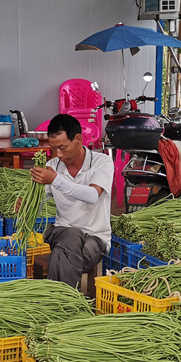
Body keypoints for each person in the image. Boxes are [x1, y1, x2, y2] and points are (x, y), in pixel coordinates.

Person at [30, 114, 113, 288]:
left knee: (62, 255)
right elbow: (40, 201)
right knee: (71, 234)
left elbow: (92, 195)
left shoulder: (102, 162)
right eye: (53, 149)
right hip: (61, 233)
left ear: (78, 139)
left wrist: (56, 180)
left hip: (95, 239)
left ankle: (59, 300)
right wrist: (28, 205)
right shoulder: (52, 167)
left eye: (62, 147)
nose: (58, 154)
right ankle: (66, 304)